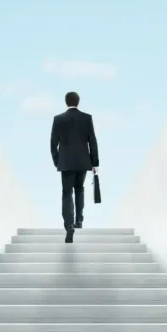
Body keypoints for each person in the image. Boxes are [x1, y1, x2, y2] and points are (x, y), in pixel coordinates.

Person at [48, 91, 99, 242]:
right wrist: (95, 162)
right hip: (83, 161)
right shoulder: (86, 118)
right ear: (78, 102)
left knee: (66, 192)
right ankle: (79, 220)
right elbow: (92, 141)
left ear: (66, 102)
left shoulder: (58, 119)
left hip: (66, 162)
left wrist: (58, 161)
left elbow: (53, 144)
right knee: (79, 189)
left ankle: (69, 226)